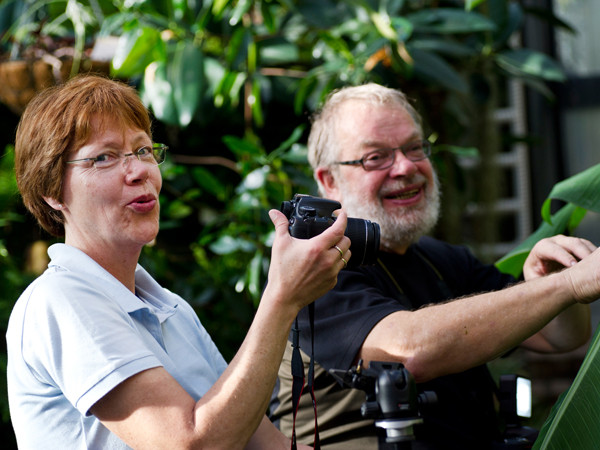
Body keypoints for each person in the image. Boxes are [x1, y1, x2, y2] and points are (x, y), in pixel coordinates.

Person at [6, 74, 352, 449]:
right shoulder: (60, 299)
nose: (139, 171)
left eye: (142, 150)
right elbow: (188, 445)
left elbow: (262, 443)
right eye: (104, 157)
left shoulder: (172, 309)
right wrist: (282, 298)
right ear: (52, 191)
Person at [269, 83, 600, 449]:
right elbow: (409, 349)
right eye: (376, 157)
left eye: (414, 148)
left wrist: (551, 276)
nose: (406, 167)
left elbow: (561, 336)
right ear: (328, 180)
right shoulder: (314, 269)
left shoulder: (440, 259)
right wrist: (567, 285)